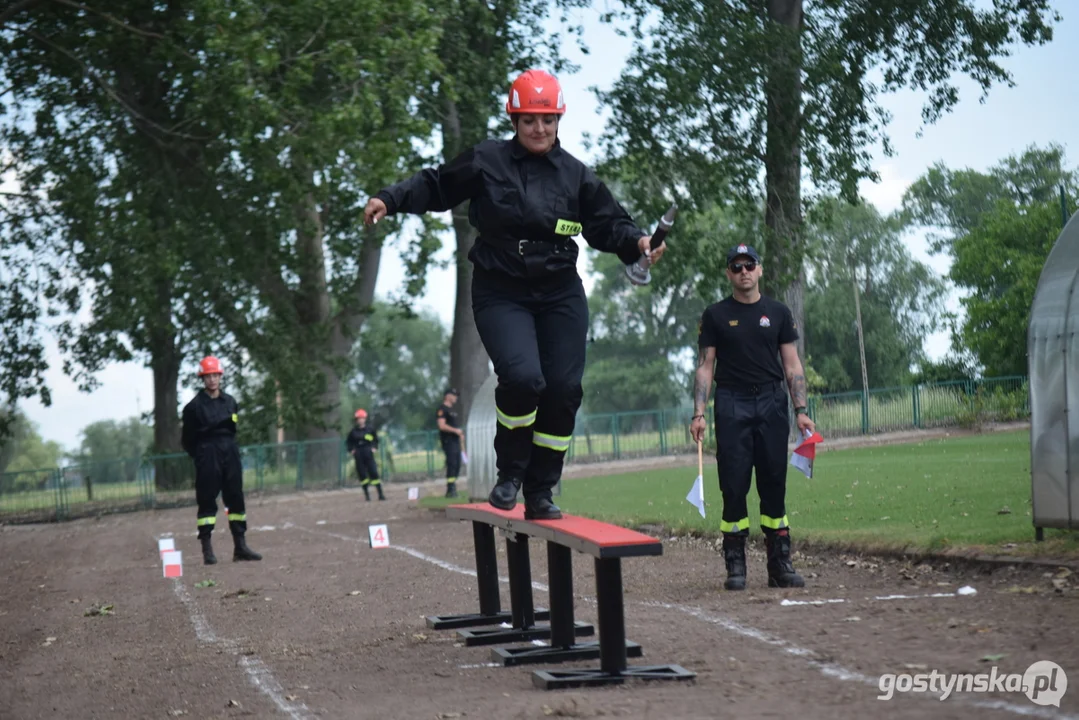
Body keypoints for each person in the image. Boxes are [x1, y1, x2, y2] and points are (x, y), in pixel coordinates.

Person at [364, 69, 666, 520]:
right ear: (514, 120)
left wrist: (639, 243)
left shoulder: (576, 176)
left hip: (560, 290)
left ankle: (542, 489)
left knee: (563, 389)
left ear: (559, 120)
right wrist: (391, 198)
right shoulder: (487, 160)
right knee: (525, 380)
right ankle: (510, 474)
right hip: (500, 287)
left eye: (546, 120)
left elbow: (609, 224)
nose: (538, 129)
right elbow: (436, 184)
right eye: (528, 120)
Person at [690, 244, 816, 591]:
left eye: (750, 265)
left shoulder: (777, 312)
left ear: (759, 270)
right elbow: (705, 366)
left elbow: (792, 365)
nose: (744, 271)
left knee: (774, 482)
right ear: (728, 273)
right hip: (732, 402)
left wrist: (801, 412)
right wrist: (699, 413)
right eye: (736, 266)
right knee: (733, 483)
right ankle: (736, 566)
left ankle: (780, 565)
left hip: (772, 402)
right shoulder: (715, 315)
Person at [181, 355, 262, 565]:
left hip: (230, 451)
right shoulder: (193, 407)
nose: (212, 379)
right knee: (207, 500)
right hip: (208, 454)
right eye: (208, 376)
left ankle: (240, 547)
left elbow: (233, 429)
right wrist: (201, 456)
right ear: (202, 378)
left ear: (220, 376)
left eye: (215, 375)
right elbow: (187, 440)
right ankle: (207, 550)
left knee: (235, 497)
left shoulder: (231, 402)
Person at [346, 409, 384, 501]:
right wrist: (351, 450)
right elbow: (348, 442)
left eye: (362, 418)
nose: (360, 420)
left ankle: (380, 494)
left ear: (365, 419)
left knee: (374, 473)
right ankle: (367, 496)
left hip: (368, 452)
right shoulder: (353, 432)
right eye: (358, 418)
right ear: (356, 420)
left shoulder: (370, 429)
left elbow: (375, 440)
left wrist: (374, 447)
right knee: (362, 475)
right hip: (358, 454)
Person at [436, 389, 464, 498]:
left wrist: (459, 434)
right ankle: (451, 489)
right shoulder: (442, 410)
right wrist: (455, 431)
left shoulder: (452, 410)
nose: (456, 397)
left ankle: (452, 487)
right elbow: (441, 426)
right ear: (447, 396)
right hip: (448, 441)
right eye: (454, 395)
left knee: (457, 464)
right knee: (452, 464)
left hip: (455, 441)